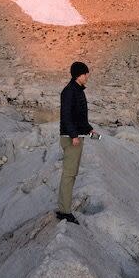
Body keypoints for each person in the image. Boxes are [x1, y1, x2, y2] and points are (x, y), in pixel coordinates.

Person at [56, 61, 98, 224]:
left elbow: (79, 117)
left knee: (71, 174)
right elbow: (66, 116)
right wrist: (74, 135)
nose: (88, 76)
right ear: (79, 75)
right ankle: (64, 211)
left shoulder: (78, 90)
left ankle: (63, 208)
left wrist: (89, 130)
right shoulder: (69, 91)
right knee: (69, 174)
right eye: (86, 74)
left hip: (77, 136)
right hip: (70, 138)